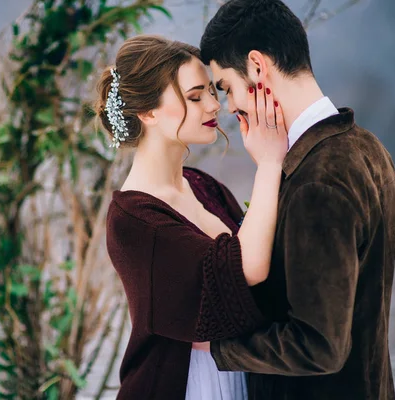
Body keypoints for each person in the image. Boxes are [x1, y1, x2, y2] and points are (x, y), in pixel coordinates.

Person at [198, 0, 395, 399]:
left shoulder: (317, 181)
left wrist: (220, 349)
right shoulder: (365, 147)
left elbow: (319, 346)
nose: (229, 106)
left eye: (226, 88)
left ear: (257, 66)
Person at [97, 34, 287, 399]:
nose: (214, 106)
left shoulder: (202, 185)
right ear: (148, 112)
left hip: (241, 375)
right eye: (195, 97)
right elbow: (247, 269)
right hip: (187, 386)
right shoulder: (133, 220)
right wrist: (269, 162)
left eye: (212, 93)